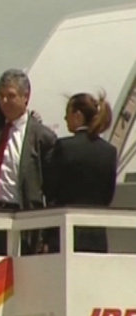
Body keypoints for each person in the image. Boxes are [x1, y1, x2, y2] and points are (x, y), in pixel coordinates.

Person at [0, 12, 57, 254]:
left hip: (25, 220)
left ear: (26, 97)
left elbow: (52, 189)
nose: (5, 101)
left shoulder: (42, 137)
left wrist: (49, 236)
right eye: (2, 96)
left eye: (11, 96)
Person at [49, 92, 117, 252]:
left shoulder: (64, 147)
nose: (65, 119)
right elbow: (108, 195)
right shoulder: (109, 151)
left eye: (67, 114)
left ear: (78, 115)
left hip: (65, 232)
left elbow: (51, 189)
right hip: (96, 233)